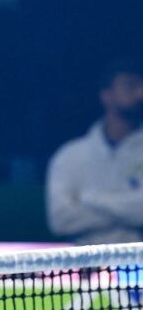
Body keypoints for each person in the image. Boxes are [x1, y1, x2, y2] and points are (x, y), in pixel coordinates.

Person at [46, 59, 143, 245]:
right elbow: (60, 220)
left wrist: (90, 199)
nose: (140, 93)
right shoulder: (69, 156)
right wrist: (128, 209)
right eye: (130, 85)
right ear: (106, 95)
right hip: (86, 267)